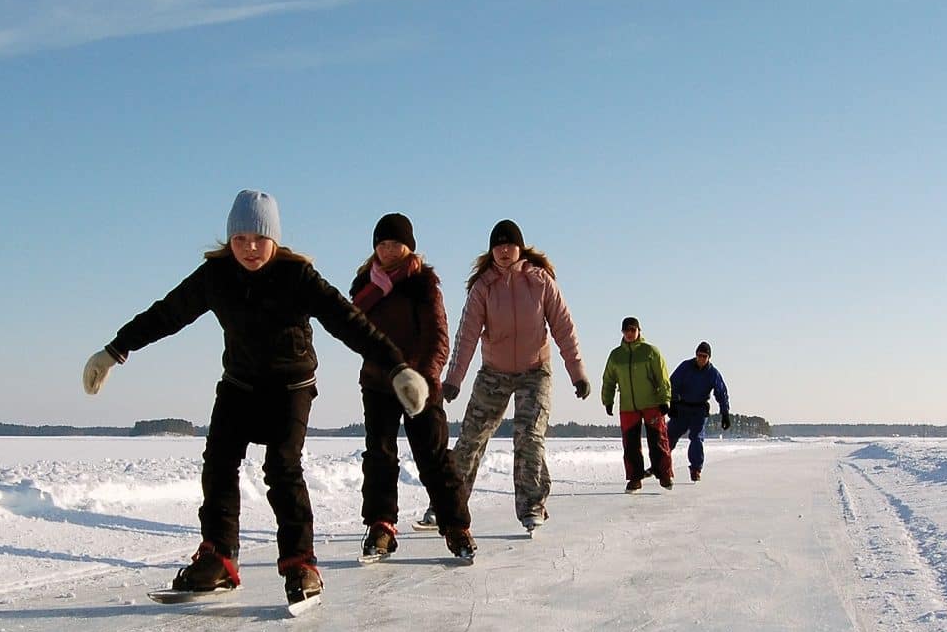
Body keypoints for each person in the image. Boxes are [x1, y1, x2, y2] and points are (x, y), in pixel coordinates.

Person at [82, 190, 429, 606]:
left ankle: (301, 564)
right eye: (240, 238)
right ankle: (218, 558)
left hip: (292, 386)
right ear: (229, 239)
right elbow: (167, 313)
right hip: (240, 384)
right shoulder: (215, 275)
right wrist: (115, 350)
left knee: (282, 468)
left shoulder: (297, 277)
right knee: (219, 462)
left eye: (259, 238)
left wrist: (396, 367)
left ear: (275, 240)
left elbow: (349, 322)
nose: (249, 247)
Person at [439, 219, 591, 532]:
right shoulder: (483, 286)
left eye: (510, 245)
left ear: (520, 248)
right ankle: (447, 503)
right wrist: (454, 378)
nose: (504, 251)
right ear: (491, 250)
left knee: (529, 437)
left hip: (535, 372)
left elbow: (564, 328)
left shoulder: (541, 282)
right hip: (494, 372)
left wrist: (577, 373)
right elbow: (466, 335)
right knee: (470, 437)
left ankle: (532, 505)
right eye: (498, 245)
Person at [348, 213, 476, 563]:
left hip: (420, 383)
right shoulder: (364, 286)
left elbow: (438, 336)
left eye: (395, 243)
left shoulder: (422, 283)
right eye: (382, 243)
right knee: (379, 454)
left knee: (433, 455)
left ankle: (455, 526)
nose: (388, 250)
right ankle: (380, 526)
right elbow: (355, 333)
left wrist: (422, 375)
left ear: (409, 247)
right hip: (377, 382)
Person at [600, 316, 673, 492]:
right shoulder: (616, 356)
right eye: (626, 331)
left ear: (639, 330)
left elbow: (662, 378)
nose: (630, 334)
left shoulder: (650, 352)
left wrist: (665, 400)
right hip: (628, 407)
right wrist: (607, 400)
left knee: (658, 440)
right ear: (622, 332)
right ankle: (635, 478)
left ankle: (664, 474)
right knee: (630, 445)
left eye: (633, 330)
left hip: (651, 404)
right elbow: (609, 380)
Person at [667, 341, 731, 482]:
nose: (701, 359)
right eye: (699, 355)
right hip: (682, 408)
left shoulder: (713, 373)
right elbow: (672, 384)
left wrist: (725, 413)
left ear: (709, 357)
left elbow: (721, 393)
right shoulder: (685, 367)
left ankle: (696, 468)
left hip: (699, 410)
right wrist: (671, 403)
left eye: (704, 356)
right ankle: (663, 465)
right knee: (668, 436)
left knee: (696, 438)